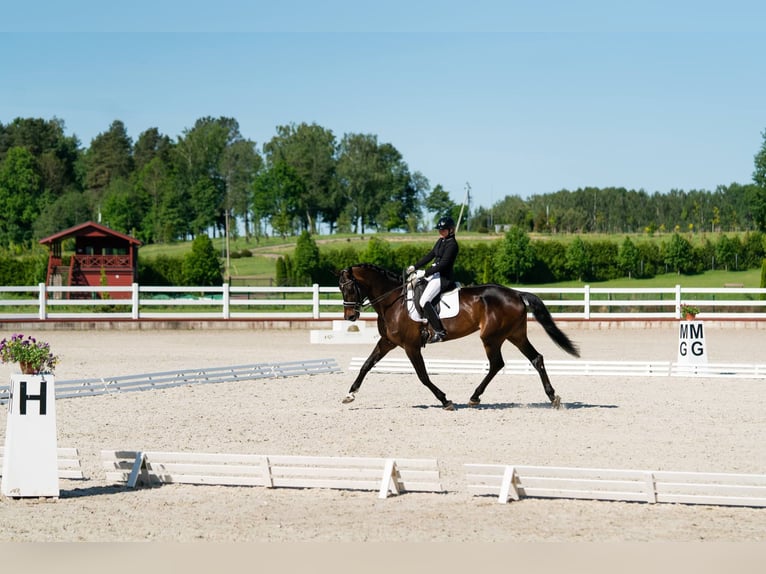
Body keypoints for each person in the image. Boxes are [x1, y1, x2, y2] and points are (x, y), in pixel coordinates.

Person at [407, 215, 459, 343]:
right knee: (416, 286)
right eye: (439, 230)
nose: (440, 232)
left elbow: (443, 265)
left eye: (443, 230)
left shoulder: (452, 245)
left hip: (443, 277)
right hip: (434, 274)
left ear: (451, 230)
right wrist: (415, 266)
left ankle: (439, 331)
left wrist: (424, 272)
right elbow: (431, 255)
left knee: (424, 300)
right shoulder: (441, 241)